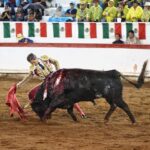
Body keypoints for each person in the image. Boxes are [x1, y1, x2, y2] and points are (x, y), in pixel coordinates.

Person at [17, 53, 86, 118]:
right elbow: (29, 77)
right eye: (31, 63)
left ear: (34, 58)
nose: (33, 63)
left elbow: (56, 62)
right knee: (32, 93)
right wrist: (20, 83)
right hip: (45, 82)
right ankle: (32, 109)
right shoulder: (33, 68)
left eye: (32, 62)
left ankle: (81, 112)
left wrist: (58, 70)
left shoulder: (44, 58)